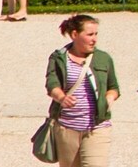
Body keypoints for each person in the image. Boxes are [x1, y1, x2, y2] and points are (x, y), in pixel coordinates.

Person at [46, 15, 118, 167]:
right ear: (74, 34)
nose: (94, 39)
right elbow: (52, 84)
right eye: (90, 34)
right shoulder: (59, 58)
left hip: (97, 127)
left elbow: (114, 87)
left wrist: (109, 98)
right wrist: (61, 97)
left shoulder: (103, 58)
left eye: (96, 34)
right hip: (67, 128)